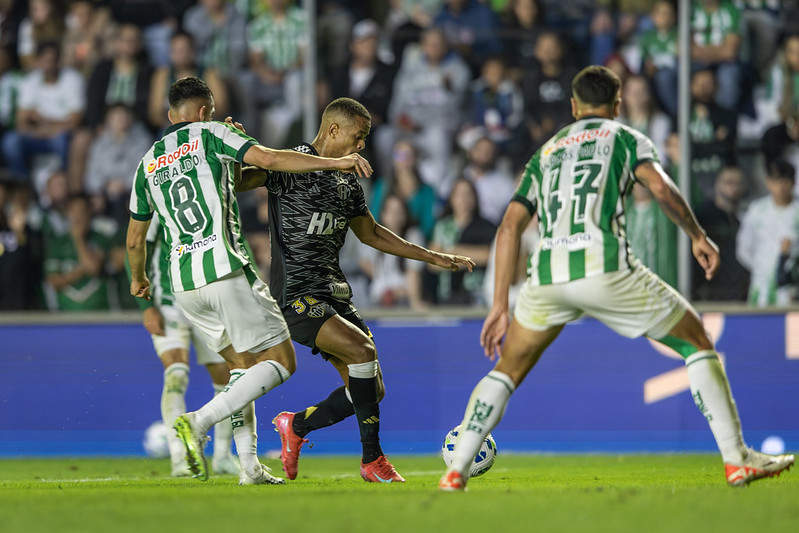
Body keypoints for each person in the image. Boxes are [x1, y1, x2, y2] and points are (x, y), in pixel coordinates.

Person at [439, 65, 795, 491]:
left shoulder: (546, 152)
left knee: (507, 369)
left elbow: (509, 227)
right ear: (617, 105)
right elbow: (660, 189)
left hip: (546, 276)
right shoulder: (625, 137)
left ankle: (456, 470)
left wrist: (500, 305)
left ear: (574, 106)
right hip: (603, 265)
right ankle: (737, 459)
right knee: (696, 341)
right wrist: (698, 236)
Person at [126, 76, 373, 484]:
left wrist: (138, 280)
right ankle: (198, 421)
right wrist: (334, 162)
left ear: (171, 116)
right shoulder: (211, 133)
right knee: (280, 361)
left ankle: (249, 466)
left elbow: (135, 239)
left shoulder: (147, 162)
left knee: (241, 370)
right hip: (225, 270)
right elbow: (271, 160)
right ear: (204, 111)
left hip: (183, 284)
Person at [235, 97, 475, 483]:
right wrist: (236, 150)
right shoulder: (291, 163)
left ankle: (296, 426)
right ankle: (372, 460)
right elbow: (239, 181)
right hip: (297, 295)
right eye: (357, 135)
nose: (362, 144)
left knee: (370, 390)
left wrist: (433, 257)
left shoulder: (347, 181)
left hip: (335, 293)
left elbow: (372, 234)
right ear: (333, 130)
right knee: (363, 352)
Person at [126, 218, 239, 477]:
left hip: (206, 305)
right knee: (176, 374)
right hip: (168, 305)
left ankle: (223, 456)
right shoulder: (157, 208)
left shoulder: (212, 205)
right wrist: (146, 306)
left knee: (229, 377)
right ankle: (180, 458)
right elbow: (134, 246)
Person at [736, 159, 799, 307]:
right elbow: (743, 248)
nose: (781, 187)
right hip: (760, 285)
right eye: (776, 181)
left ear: (793, 183)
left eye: (785, 181)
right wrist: (761, 266)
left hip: (792, 286)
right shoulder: (757, 210)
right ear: (769, 182)